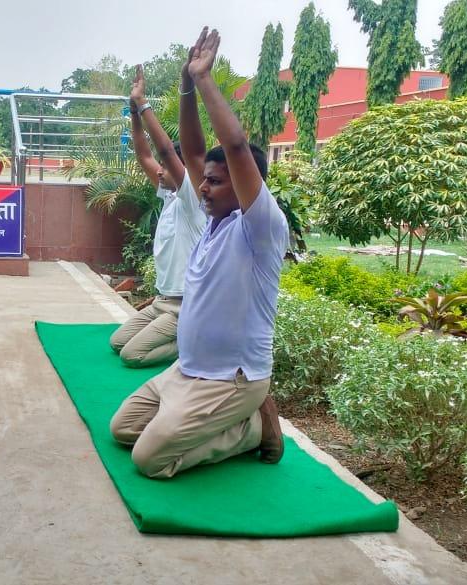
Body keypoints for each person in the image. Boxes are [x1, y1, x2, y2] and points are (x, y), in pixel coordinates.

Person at [109, 27, 289, 478]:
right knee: (123, 429)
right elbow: (189, 150)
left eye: (215, 181)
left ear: (248, 185)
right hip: (187, 371)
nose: (203, 187)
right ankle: (234, 418)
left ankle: (250, 426)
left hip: (233, 379)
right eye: (203, 180)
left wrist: (205, 80)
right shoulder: (211, 225)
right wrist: (185, 85)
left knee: (148, 460)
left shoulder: (261, 228)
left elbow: (232, 146)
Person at [109, 65, 207, 368]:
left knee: (132, 356)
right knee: (116, 343)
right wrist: (134, 114)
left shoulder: (194, 201)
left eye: (167, 167)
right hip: (162, 301)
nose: (159, 171)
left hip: (183, 307)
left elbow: (163, 151)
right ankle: (183, 337)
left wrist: (143, 102)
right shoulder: (170, 197)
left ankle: (194, 345)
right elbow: (145, 156)